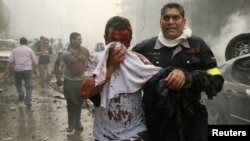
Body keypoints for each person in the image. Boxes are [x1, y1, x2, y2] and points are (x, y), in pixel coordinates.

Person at [132, 2, 224, 141]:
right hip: (157, 119)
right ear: (160, 21)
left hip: (192, 117)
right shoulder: (144, 48)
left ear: (184, 21)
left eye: (176, 18)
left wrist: (188, 77)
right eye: (166, 18)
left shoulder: (198, 45)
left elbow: (217, 80)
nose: (171, 22)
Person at [81, 16, 164, 141]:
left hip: (136, 133)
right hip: (104, 135)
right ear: (105, 39)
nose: (118, 46)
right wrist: (111, 67)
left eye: (124, 41)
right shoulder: (95, 60)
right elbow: (85, 92)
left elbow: (159, 82)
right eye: (113, 40)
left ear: (129, 41)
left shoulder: (138, 61)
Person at [54, 32, 90, 133]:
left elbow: (91, 64)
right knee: (71, 102)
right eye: (79, 39)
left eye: (81, 39)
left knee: (79, 102)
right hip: (69, 81)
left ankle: (77, 123)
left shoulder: (85, 51)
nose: (81, 41)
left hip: (81, 82)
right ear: (72, 40)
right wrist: (58, 78)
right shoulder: (64, 52)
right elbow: (56, 65)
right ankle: (71, 124)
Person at [4, 37, 38, 107]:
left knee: (18, 84)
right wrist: (34, 70)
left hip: (18, 70)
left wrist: (6, 69)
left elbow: (9, 60)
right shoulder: (30, 50)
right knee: (29, 86)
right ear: (27, 42)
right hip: (28, 70)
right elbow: (35, 62)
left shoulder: (15, 50)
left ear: (20, 42)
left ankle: (21, 94)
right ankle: (28, 101)